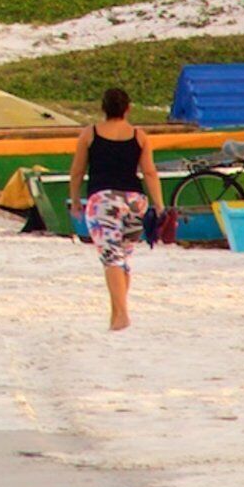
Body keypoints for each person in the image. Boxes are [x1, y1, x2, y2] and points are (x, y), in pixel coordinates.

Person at [69, 85, 159, 330]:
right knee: (123, 258)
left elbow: (77, 171)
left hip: (103, 201)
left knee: (112, 259)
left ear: (103, 109)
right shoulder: (139, 135)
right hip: (134, 201)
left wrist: (75, 199)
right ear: (128, 109)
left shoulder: (90, 134)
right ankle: (116, 314)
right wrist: (159, 204)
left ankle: (121, 316)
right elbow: (149, 172)